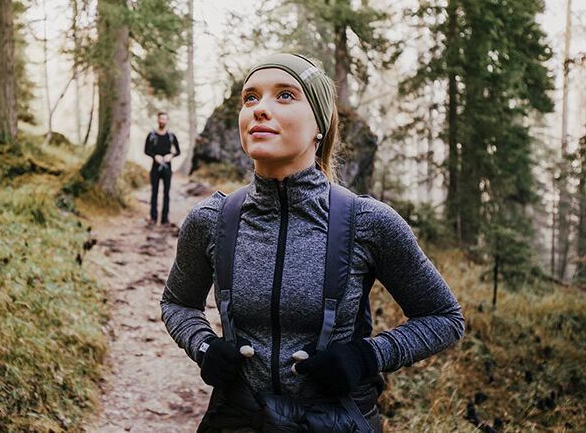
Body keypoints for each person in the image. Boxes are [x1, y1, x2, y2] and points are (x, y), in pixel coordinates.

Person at [160, 53, 465, 432]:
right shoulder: (212, 220)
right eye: (250, 98)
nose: (259, 109)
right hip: (237, 418)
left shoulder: (368, 222)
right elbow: (178, 303)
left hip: (336, 421)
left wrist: (365, 356)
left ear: (319, 124)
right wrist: (204, 346)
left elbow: (444, 318)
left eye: (285, 95)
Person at [144, 112, 181, 226]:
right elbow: (146, 150)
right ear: (158, 120)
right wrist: (155, 156)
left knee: (166, 193)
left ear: (167, 121)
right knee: (154, 193)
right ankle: (153, 218)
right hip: (155, 167)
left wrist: (171, 156)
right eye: (161, 118)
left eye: (165, 119)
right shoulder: (151, 135)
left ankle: (165, 219)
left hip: (167, 168)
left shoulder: (171, 136)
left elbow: (178, 151)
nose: (162, 121)